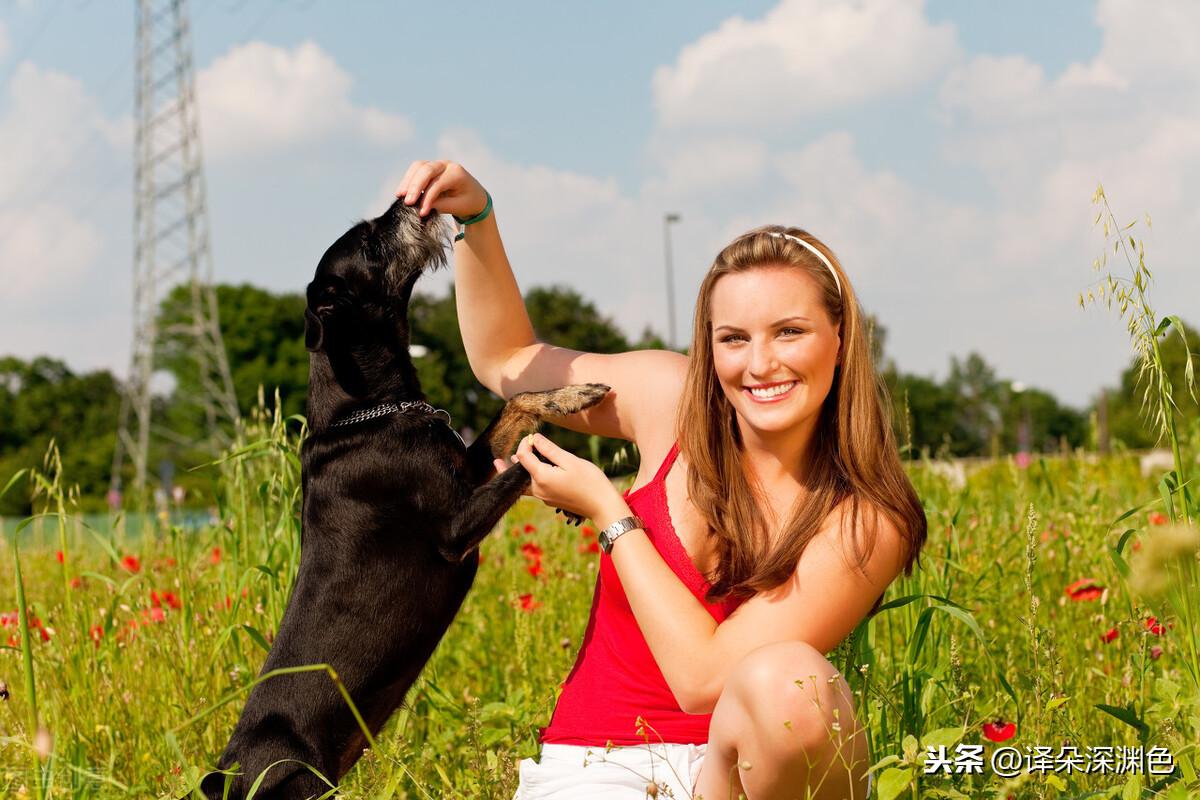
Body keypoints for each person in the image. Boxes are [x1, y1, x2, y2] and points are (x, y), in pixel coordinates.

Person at [397, 160, 927, 800]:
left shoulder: (866, 518)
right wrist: (477, 218)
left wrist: (609, 512)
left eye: (790, 332)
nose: (760, 365)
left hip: (743, 777)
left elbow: (705, 680)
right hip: (598, 766)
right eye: (733, 338)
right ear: (710, 347)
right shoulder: (669, 401)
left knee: (792, 685)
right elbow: (506, 361)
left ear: (839, 340)